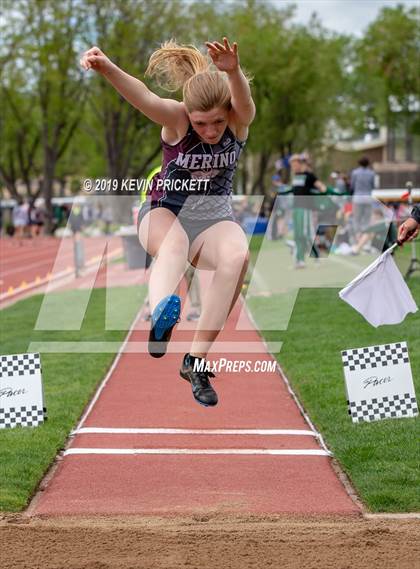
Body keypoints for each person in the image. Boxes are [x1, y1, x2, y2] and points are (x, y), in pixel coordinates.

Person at [80, 38, 255, 408]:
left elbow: (245, 104)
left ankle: (195, 361)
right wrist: (106, 66)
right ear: (188, 115)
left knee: (239, 255)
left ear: (229, 113)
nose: (210, 131)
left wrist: (233, 71)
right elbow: (145, 97)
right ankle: (162, 314)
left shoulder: (238, 123)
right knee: (173, 244)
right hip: (163, 214)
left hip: (212, 223)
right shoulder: (177, 120)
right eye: (201, 123)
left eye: (217, 122)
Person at [289, 154, 326, 267]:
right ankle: (300, 260)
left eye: (295, 164)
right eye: (292, 165)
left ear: (301, 164)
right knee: (298, 235)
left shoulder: (309, 176)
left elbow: (322, 187)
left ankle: (316, 255)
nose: (293, 167)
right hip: (296, 208)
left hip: (306, 208)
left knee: (307, 234)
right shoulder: (295, 176)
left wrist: (318, 193)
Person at [350, 156, 376, 234]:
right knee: (367, 219)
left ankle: (357, 236)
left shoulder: (355, 172)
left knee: (357, 218)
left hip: (357, 198)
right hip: (368, 198)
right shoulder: (372, 173)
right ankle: (365, 237)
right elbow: (373, 186)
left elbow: (352, 186)